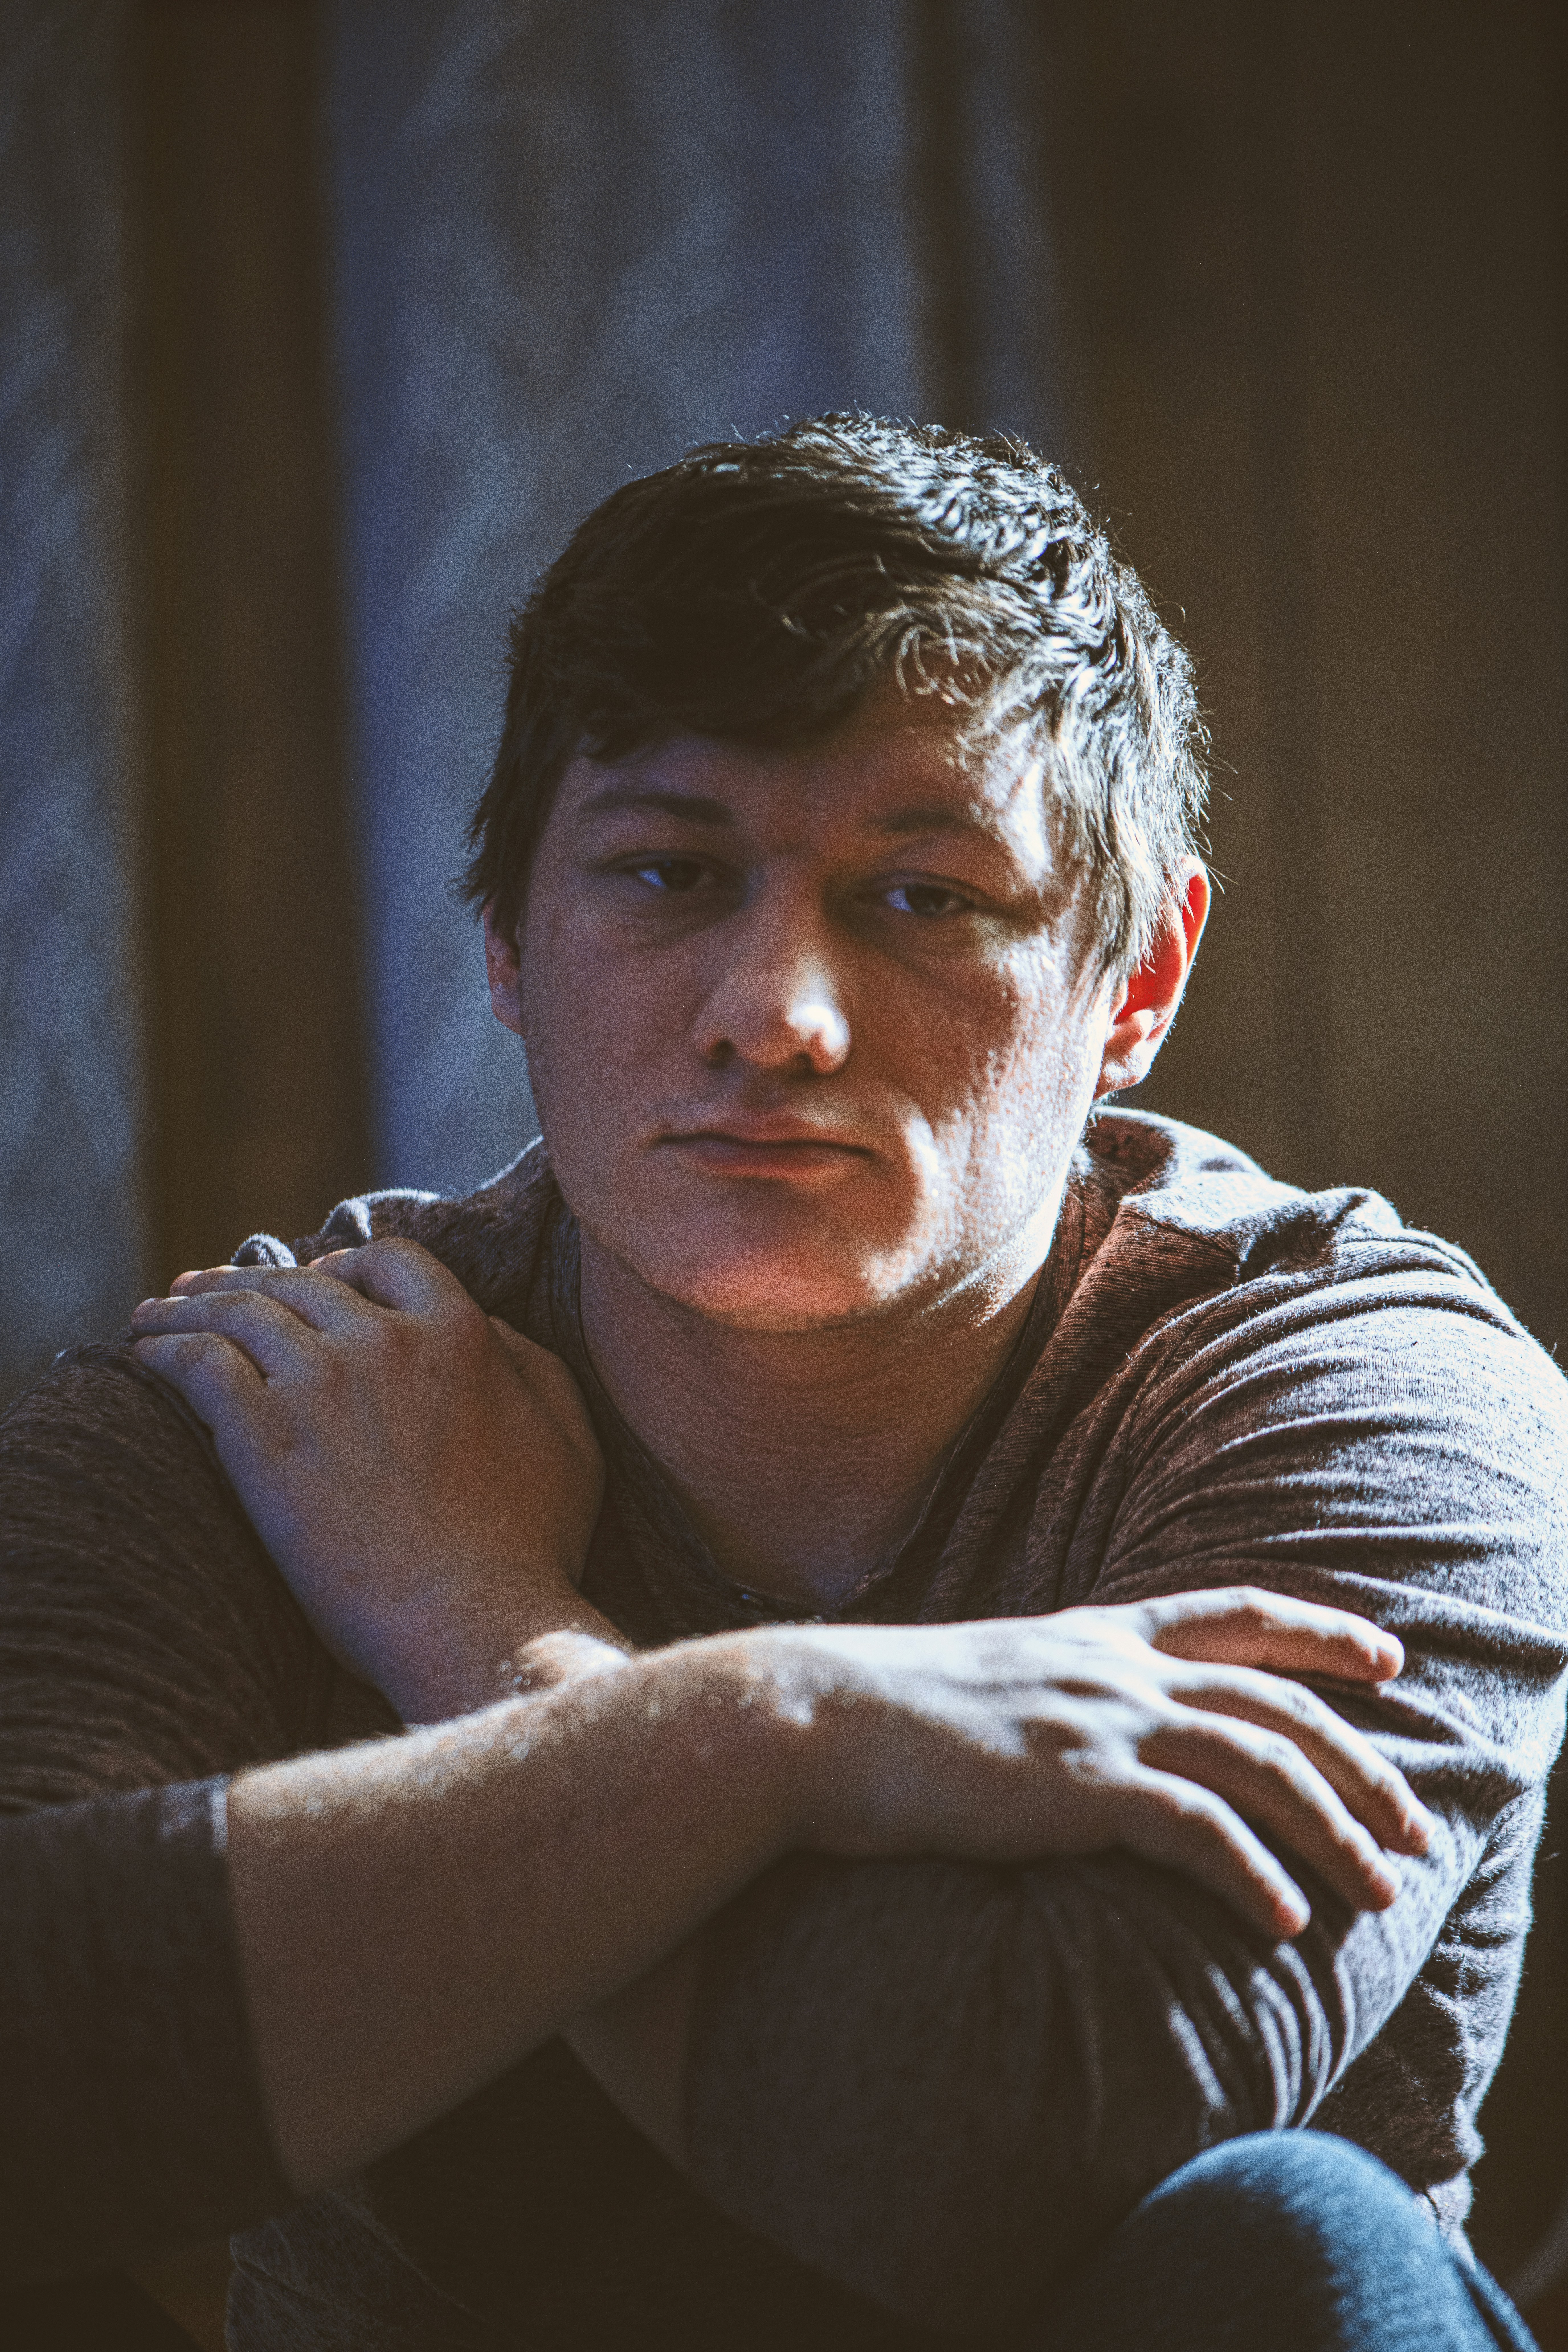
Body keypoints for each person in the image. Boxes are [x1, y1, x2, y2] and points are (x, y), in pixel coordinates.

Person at [1, 413, 1562, 2350]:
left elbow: (995, 2160)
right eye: (666, 873)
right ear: (506, 943)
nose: (774, 1016)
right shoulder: (286, 1391)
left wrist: (478, 1620)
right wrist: (792, 1724)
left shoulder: (1355, 1396)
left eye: (923, 897)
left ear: (1135, 983)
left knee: (1285, 2239)